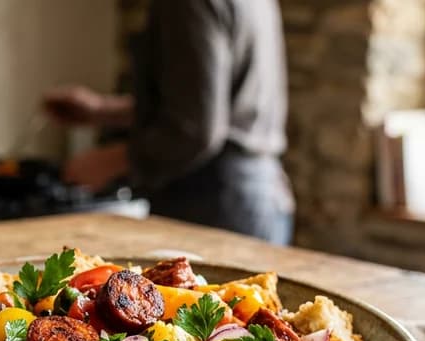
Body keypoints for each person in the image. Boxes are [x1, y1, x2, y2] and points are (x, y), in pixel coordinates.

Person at [43, 0, 294, 244]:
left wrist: (111, 161)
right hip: (261, 195)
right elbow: (199, 107)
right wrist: (101, 110)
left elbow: (196, 130)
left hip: (213, 203)